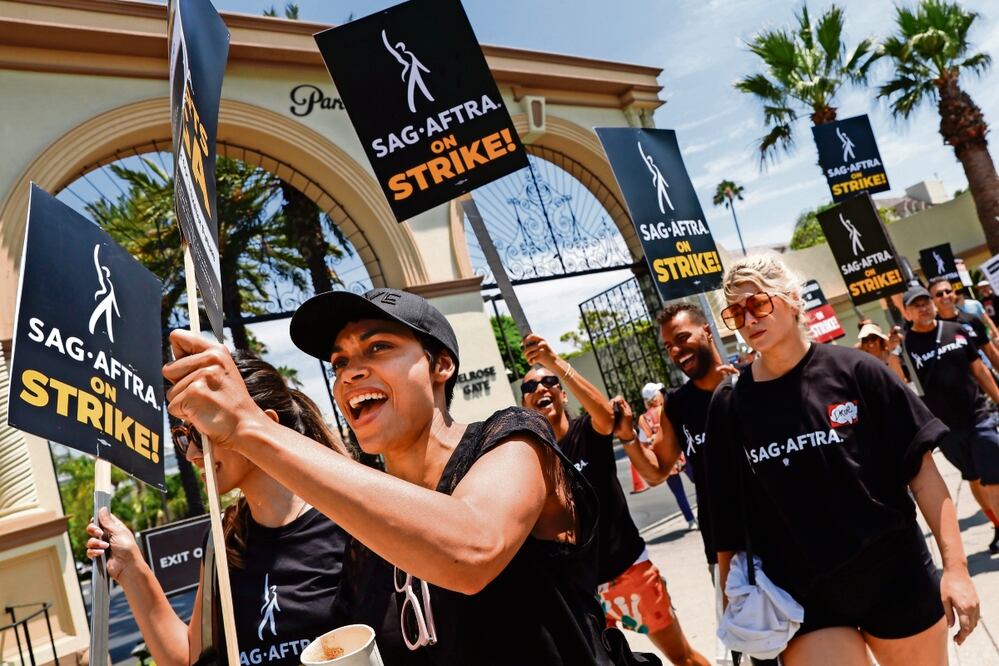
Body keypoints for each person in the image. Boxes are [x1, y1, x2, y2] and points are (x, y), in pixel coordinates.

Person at [163, 288, 659, 666]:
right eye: (339, 362)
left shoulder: (512, 439)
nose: (350, 372)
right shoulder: (363, 541)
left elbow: (473, 549)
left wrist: (249, 429)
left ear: (440, 364)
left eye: (377, 347)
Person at [707, 254, 978, 666]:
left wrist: (955, 569)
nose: (747, 320)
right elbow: (725, 516)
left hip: (895, 577)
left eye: (758, 304)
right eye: (735, 312)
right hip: (803, 598)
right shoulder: (730, 405)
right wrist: (731, 602)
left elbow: (922, 472)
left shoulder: (858, 371)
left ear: (793, 300)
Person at [87, 352, 350, 666]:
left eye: (202, 431)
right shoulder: (224, 538)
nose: (193, 453)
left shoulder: (348, 524)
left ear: (264, 424)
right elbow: (190, 658)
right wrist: (131, 568)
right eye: (186, 436)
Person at [520, 334, 708, 666]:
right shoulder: (533, 457)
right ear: (524, 405)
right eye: (530, 387)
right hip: (582, 591)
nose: (540, 388)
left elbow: (606, 416)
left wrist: (556, 363)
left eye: (549, 381)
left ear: (563, 393)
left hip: (628, 570)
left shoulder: (586, 432)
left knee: (682, 656)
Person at [903, 284, 999, 555]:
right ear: (907, 313)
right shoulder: (907, 347)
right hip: (945, 431)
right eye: (917, 304)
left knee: (993, 475)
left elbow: (980, 370)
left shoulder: (955, 330)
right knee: (975, 477)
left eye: (926, 302)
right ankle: (996, 524)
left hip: (979, 416)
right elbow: (900, 386)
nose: (924, 307)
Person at [637, 383, 697, 530]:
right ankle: (704, 512)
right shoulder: (666, 409)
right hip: (680, 453)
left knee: (679, 493)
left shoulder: (643, 420)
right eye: (660, 392)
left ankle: (690, 520)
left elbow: (643, 442)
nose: (662, 394)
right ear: (654, 397)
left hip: (664, 460)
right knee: (699, 480)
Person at [929, 277, 999, 369]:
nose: (945, 296)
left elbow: (991, 353)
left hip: (984, 374)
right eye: (939, 294)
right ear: (932, 299)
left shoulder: (972, 319)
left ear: (954, 292)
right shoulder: (932, 328)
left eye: (948, 291)